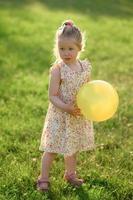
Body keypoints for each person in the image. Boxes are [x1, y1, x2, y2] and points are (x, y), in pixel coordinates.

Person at [37, 20, 95, 192]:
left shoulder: (84, 67)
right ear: (57, 47)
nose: (66, 53)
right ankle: (43, 178)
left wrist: (89, 104)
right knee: (52, 149)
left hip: (77, 114)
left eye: (70, 49)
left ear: (79, 48)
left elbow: (89, 89)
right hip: (60, 115)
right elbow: (52, 96)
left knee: (72, 147)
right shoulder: (58, 69)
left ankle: (70, 174)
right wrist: (66, 107)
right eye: (62, 48)